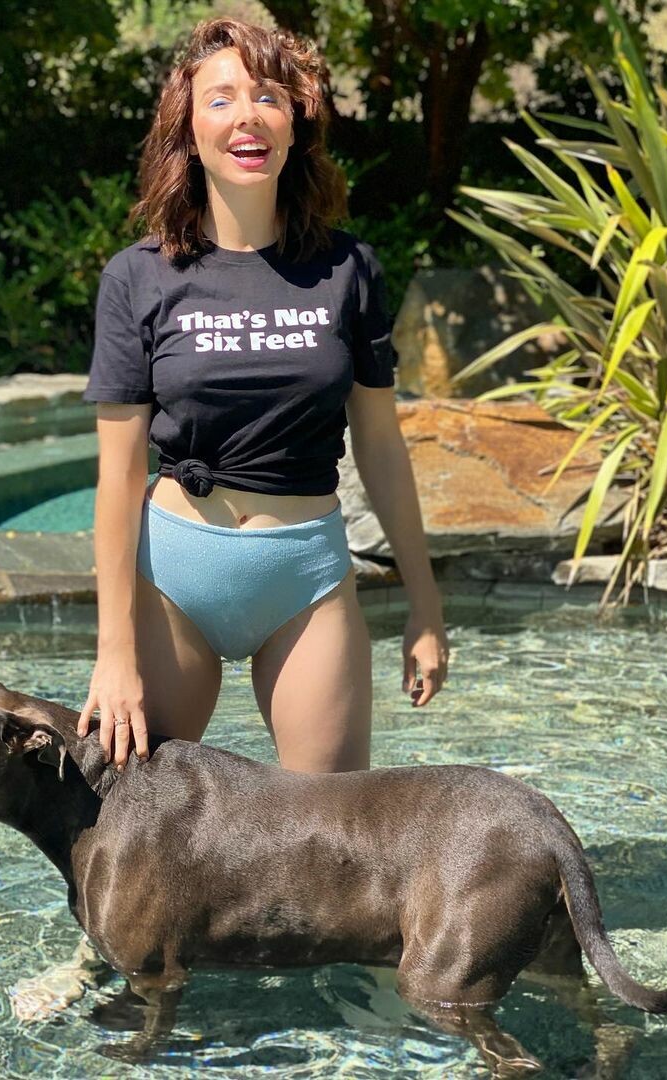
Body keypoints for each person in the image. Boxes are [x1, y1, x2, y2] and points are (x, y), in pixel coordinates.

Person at [78, 17, 448, 774]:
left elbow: (381, 445)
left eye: (268, 97)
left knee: (331, 828)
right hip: (173, 574)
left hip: (304, 574)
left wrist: (426, 603)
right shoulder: (138, 275)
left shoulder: (348, 270)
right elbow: (117, 475)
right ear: (189, 129)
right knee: (140, 820)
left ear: (294, 125)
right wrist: (113, 653)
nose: (246, 116)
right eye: (221, 99)